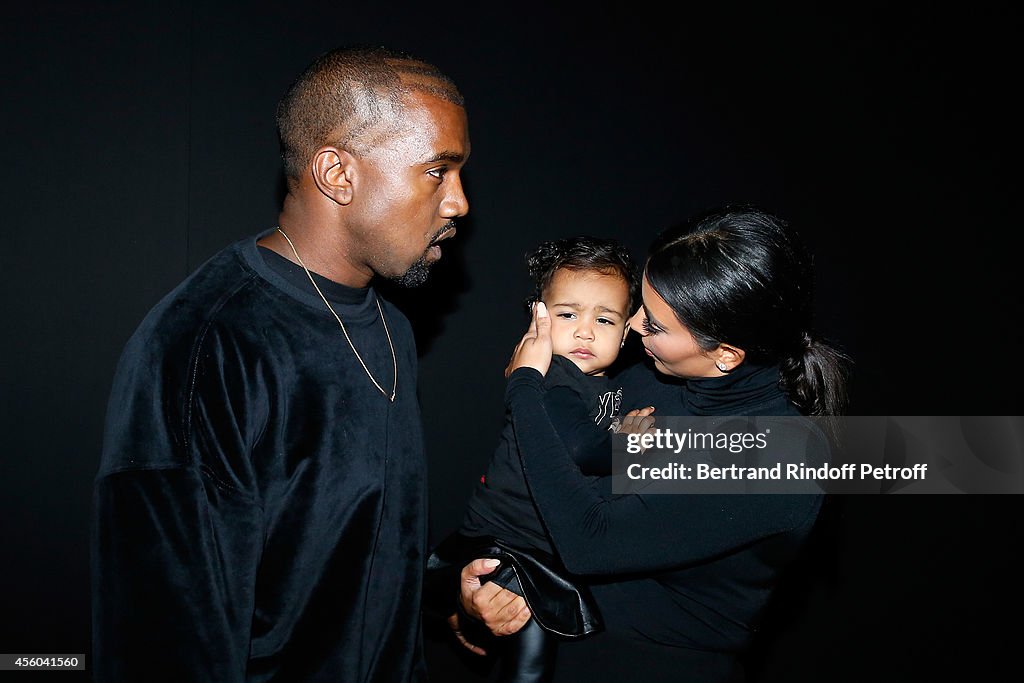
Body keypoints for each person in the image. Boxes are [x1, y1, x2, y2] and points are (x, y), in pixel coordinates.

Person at [92, 45, 470, 682]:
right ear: (337, 174)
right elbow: (164, 641)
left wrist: (440, 597)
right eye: (438, 170)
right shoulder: (206, 344)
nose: (459, 202)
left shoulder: (392, 325)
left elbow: (340, 555)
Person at [455, 204, 850, 681]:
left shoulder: (779, 457)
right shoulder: (655, 377)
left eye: (655, 325)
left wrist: (524, 385)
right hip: (557, 647)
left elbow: (589, 541)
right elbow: (552, 495)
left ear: (725, 354)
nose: (634, 325)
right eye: (642, 306)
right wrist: (489, 596)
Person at [430, 236, 639, 681]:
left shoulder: (609, 384)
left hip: (545, 545)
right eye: (568, 315)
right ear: (538, 319)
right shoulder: (555, 378)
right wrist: (632, 444)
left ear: (626, 331)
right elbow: (582, 448)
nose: (585, 331)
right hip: (510, 545)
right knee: (531, 656)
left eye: (604, 319)